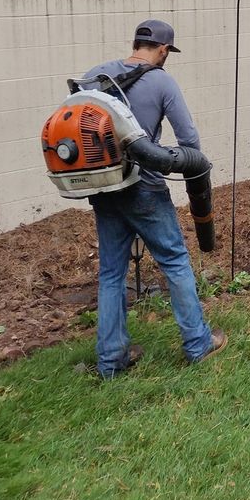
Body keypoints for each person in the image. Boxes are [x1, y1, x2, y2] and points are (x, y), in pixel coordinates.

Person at [82, 19, 226, 376]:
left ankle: (111, 361)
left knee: (111, 274)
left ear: (135, 44)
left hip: (104, 189)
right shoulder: (161, 81)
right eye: (167, 52)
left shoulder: (94, 76)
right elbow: (190, 142)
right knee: (174, 261)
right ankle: (198, 343)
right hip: (144, 189)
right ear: (163, 50)